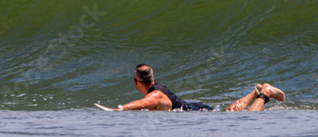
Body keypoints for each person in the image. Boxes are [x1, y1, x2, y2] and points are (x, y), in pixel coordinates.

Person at [112, 64, 285, 111]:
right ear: (153, 77)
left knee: (247, 119)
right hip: (194, 107)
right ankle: (256, 91)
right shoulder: (158, 88)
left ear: (135, 82)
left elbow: (143, 104)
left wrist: (121, 108)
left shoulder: (155, 95)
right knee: (230, 113)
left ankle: (265, 94)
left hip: (195, 112)